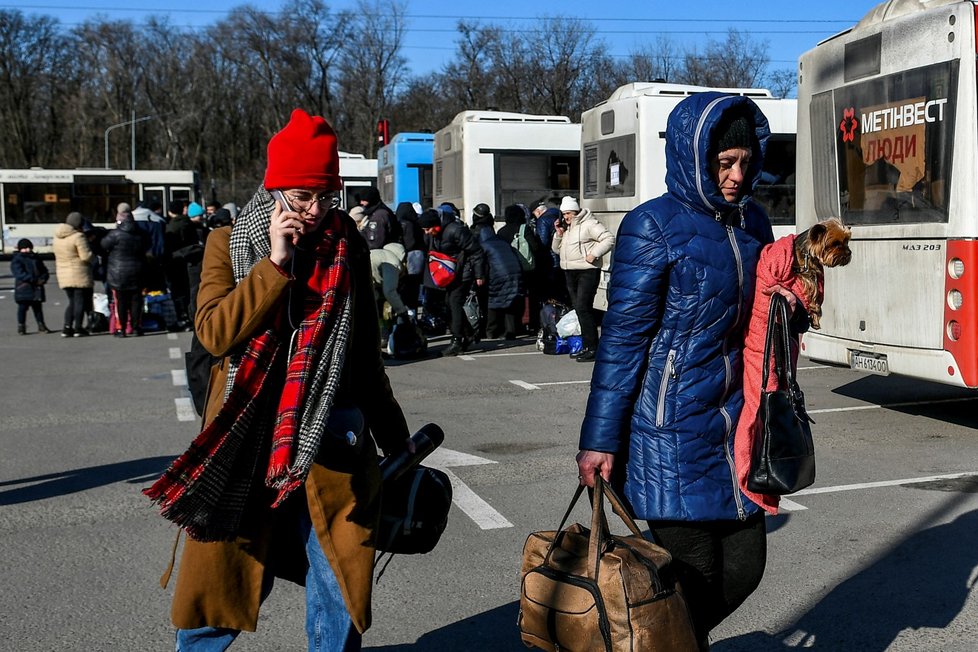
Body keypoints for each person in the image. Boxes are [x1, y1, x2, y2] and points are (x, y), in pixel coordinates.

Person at [145, 108, 411, 651]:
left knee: (337, 581)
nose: (314, 210)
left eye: (324, 196)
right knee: (223, 581)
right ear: (274, 190)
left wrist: (396, 440)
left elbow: (362, 356)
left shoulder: (348, 247)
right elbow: (216, 333)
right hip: (246, 440)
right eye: (301, 196)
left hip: (334, 440)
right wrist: (276, 262)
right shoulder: (227, 242)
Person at [576, 93, 779, 651]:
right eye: (723, 164)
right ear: (694, 157)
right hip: (667, 430)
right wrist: (598, 441)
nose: (737, 176)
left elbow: (762, 318)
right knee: (694, 578)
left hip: (736, 425)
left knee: (745, 567)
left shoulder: (752, 224)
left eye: (744, 161)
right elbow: (621, 343)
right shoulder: (652, 226)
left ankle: (653, 644)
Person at [551, 196, 614, 362]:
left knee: (583, 307)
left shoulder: (589, 224)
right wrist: (558, 234)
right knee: (579, 309)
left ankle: (592, 347)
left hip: (587, 271)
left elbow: (608, 238)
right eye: (564, 214)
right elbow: (556, 250)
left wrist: (594, 254)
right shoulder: (568, 228)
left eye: (569, 213)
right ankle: (587, 345)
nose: (566, 217)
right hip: (569, 270)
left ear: (576, 211)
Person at [418, 206, 486, 356]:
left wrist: (479, 275)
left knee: (454, 303)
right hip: (450, 273)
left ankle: (457, 340)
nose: (427, 233)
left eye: (428, 229)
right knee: (449, 303)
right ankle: (468, 334)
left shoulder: (455, 230)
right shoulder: (436, 233)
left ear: (436, 225)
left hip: (463, 272)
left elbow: (476, 252)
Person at [471, 204, 524, 339]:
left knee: (493, 300)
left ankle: (491, 332)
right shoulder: (497, 238)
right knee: (510, 300)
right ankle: (510, 331)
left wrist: (479, 275)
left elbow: (479, 260)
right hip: (514, 269)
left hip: (499, 273)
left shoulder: (479, 238)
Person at [101, 209, 150, 337]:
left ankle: (120, 328)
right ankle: (136, 327)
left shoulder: (115, 234)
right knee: (136, 301)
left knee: (120, 302)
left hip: (118, 273)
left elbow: (103, 245)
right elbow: (147, 247)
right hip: (138, 271)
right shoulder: (141, 234)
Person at [52, 211, 94, 337]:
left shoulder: (57, 237)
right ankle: (78, 328)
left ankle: (67, 327)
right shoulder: (78, 237)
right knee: (79, 302)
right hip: (78, 273)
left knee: (72, 302)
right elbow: (85, 256)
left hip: (63, 274)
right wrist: (93, 255)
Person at [10, 238, 51, 334]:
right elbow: (19, 274)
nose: (27, 250)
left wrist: (44, 278)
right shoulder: (17, 259)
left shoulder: (36, 258)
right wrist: (33, 279)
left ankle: (41, 325)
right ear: (20, 249)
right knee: (22, 308)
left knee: (37, 308)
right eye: (24, 248)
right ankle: (21, 326)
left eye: (29, 247)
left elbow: (44, 270)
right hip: (24, 287)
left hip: (36, 287)